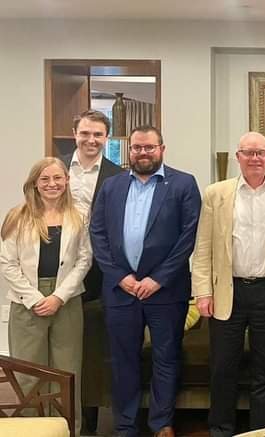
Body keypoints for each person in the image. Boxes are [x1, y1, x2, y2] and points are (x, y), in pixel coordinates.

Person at [90, 125, 201, 437]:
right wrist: (120, 276)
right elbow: (97, 234)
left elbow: (188, 236)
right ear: (130, 151)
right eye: (137, 147)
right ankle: (125, 425)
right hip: (120, 290)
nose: (143, 153)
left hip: (166, 291)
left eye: (149, 147)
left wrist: (158, 279)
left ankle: (161, 423)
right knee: (123, 361)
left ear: (161, 149)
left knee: (166, 358)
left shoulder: (183, 184)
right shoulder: (111, 186)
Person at [191, 132, 265, 436]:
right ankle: (221, 429)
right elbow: (203, 246)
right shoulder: (216, 193)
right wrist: (203, 291)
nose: (255, 158)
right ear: (238, 157)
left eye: (260, 153)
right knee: (222, 367)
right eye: (248, 153)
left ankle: (261, 431)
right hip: (228, 292)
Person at [0, 157, 92, 436]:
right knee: (29, 373)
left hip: (67, 301)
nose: (52, 184)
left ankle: (68, 430)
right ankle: (30, 430)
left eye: (58, 178)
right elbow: (7, 263)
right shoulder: (17, 216)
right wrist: (35, 299)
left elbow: (84, 259)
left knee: (67, 372)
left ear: (67, 181)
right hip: (27, 302)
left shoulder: (79, 216)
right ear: (34, 184)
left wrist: (59, 297)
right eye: (45, 179)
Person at [60, 109, 124, 433]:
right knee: (59, 346)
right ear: (75, 133)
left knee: (91, 348)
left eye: (98, 134)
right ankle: (55, 417)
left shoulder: (117, 175)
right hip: (57, 266)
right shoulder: (55, 169)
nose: (91, 140)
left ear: (106, 138)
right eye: (85, 133)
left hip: (98, 273)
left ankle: (88, 423)